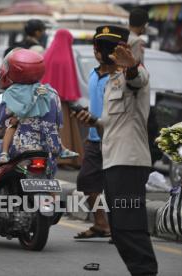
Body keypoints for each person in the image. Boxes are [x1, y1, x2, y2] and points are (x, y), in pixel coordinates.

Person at [74, 26, 158, 276]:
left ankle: (145, 272)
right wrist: (94, 122)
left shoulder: (134, 74)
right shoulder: (110, 82)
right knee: (120, 230)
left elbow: (137, 79)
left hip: (129, 163)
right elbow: (110, 126)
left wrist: (131, 66)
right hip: (114, 163)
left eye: (113, 47)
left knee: (129, 224)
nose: (107, 52)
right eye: (104, 47)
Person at [0, 49, 63, 208]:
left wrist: (3, 132)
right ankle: (52, 195)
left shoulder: (12, 94)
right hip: (49, 147)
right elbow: (59, 121)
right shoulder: (52, 93)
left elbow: (2, 125)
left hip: (20, 147)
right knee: (49, 167)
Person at [74, 35, 111, 240]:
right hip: (94, 137)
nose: (96, 54)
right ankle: (101, 224)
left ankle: (118, 229)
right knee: (87, 181)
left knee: (114, 186)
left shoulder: (117, 78)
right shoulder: (93, 73)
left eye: (99, 50)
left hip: (112, 138)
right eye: (95, 50)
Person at [41, 29, 84, 168]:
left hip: (46, 101)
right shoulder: (66, 56)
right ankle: (65, 159)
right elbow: (69, 81)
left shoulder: (47, 54)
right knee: (63, 128)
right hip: (62, 102)